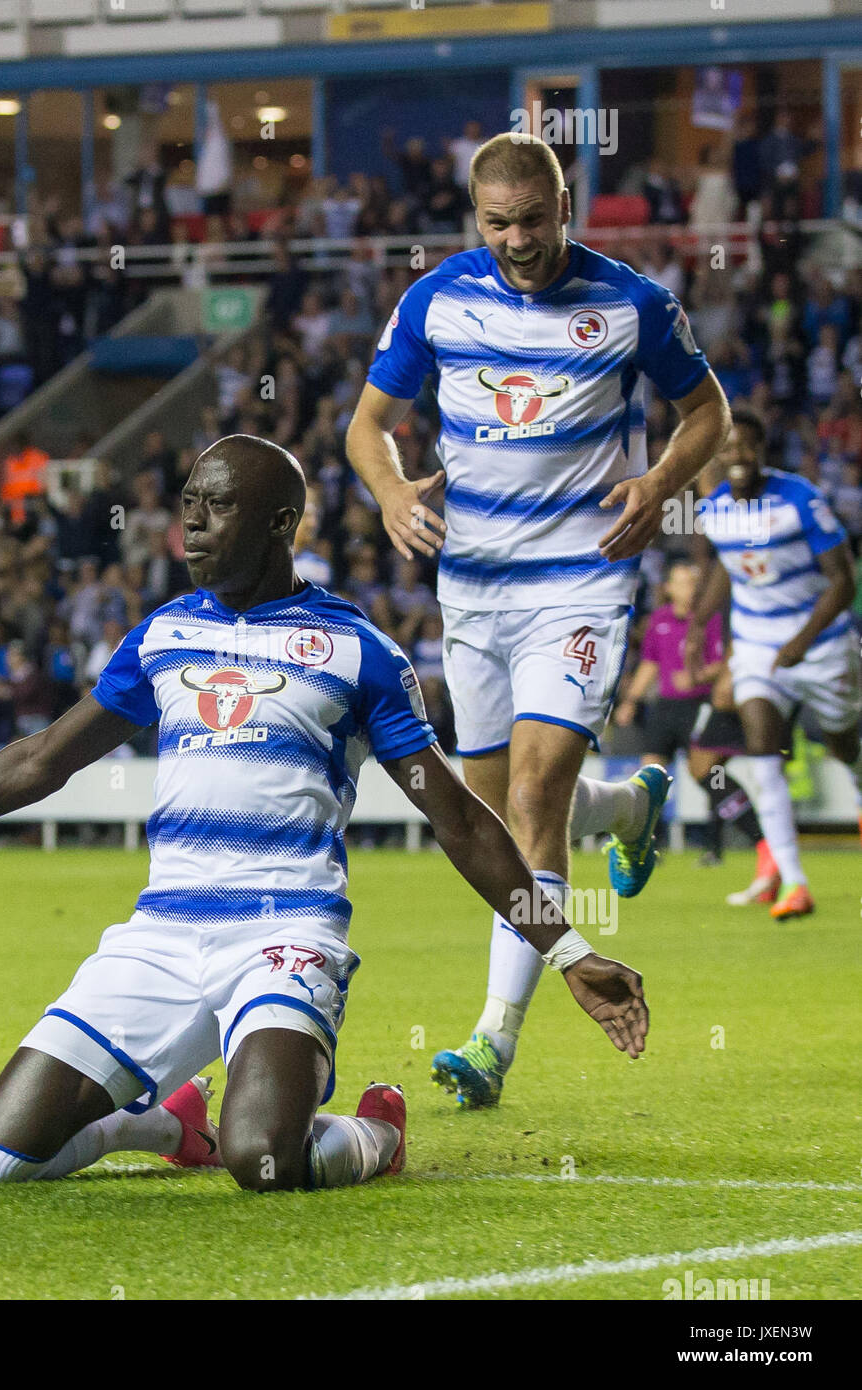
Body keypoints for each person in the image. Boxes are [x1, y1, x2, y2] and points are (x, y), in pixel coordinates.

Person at [0, 435, 648, 1193]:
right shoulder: (162, 635)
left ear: (278, 523)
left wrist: (567, 951)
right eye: (186, 504)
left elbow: (457, 819)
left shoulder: (356, 650)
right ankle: (155, 1126)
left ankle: (376, 1134)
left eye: (215, 507)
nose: (188, 523)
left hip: (284, 933)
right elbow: (41, 760)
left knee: (261, 1158)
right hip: (159, 936)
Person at [346, 133, 728, 1108]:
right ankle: (630, 807)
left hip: (580, 584)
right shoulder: (435, 299)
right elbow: (364, 425)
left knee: (528, 794)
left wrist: (655, 484)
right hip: (472, 590)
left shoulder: (631, 303)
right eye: (497, 222)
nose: (517, 240)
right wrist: (390, 493)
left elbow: (705, 415)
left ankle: (490, 1038)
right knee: (496, 815)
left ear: (565, 206)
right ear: (476, 217)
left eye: (533, 219)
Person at [686, 408, 862, 919]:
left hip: (823, 643)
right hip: (757, 644)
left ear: (763, 451)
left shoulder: (801, 499)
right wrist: (700, 624)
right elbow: (725, 565)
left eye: (747, 447)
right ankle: (794, 882)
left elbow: (843, 581)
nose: (737, 457)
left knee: (843, 743)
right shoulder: (716, 509)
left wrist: (803, 640)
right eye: (729, 448)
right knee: (762, 751)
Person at [614, 561, 770, 868]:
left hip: (701, 705)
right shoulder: (659, 620)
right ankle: (646, 847)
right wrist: (630, 700)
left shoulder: (710, 620)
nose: (690, 588)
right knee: (649, 777)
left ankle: (740, 841)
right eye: (682, 582)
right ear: (669, 587)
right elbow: (650, 664)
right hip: (665, 707)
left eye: (693, 582)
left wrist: (697, 677)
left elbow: (724, 662)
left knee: (709, 776)